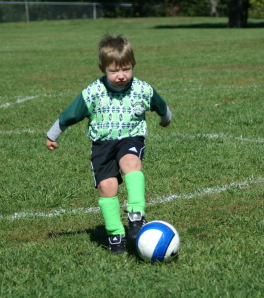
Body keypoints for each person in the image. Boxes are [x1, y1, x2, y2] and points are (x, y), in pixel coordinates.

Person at [45, 34, 172, 254]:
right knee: (107, 187)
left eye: (126, 69)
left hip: (130, 137)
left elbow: (161, 105)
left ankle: (136, 214)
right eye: (114, 71)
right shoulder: (93, 93)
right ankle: (115, 235)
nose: (121, 76)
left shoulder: (142, 89)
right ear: (102, 68)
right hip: (102, 145)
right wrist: (52, 135)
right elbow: (70, 115)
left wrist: (165, 119)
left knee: (131, 162)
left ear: (133, 65)